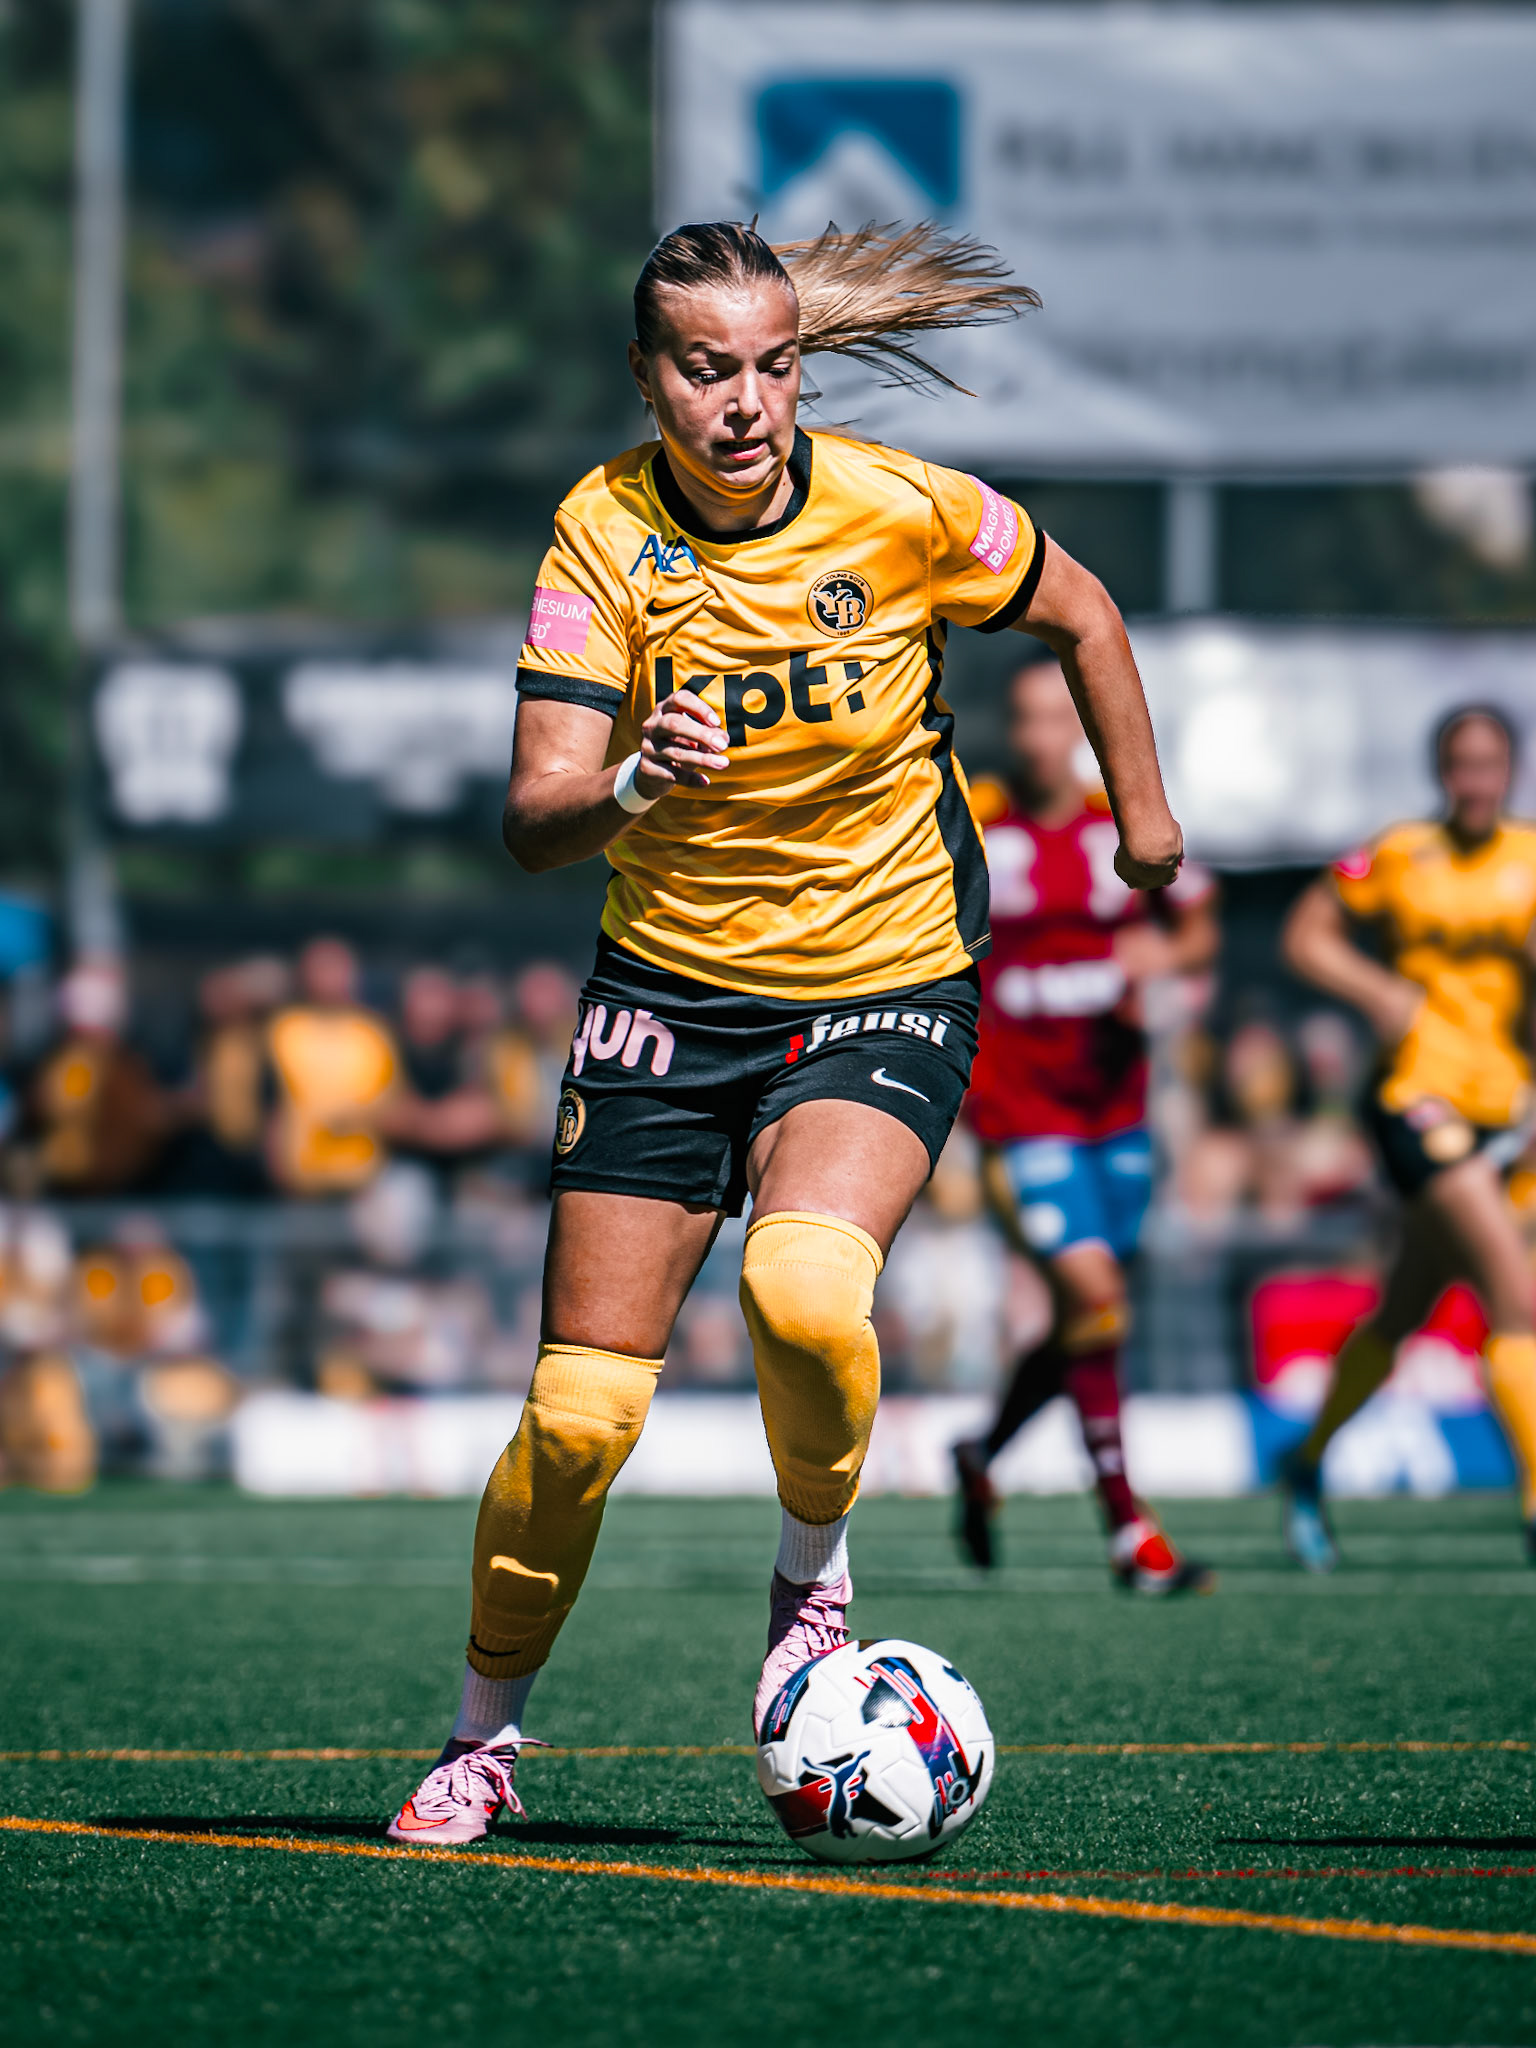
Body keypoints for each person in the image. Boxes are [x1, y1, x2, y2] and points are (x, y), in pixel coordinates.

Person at [386, 220, 1183, 1845]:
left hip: (883, 969)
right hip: (667, 998)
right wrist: (628, 781)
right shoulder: (599, 536)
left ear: (798, 364)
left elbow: (1086, 612)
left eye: (771, 364)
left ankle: (812, 1579)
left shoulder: (901, 507)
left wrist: (1143, 823)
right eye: (706, 368)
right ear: (646, 376)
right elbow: (534, 816)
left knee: (805, 1287)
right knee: (579, 1419)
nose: (745, 402)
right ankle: (484, 1734)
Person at [950, 655, 1219, 1590]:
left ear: (1082, 725)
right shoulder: (975, 820)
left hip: (1118, 1109)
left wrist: (1160, 961)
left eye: (1055, 718)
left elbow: (1197, 923)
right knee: (1094, 1295)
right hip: (1019, 1115)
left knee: (1088, 1319)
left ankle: (982, 1455)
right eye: (1023, 719)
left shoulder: (1122, 824)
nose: (1039, 737)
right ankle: (1128, 1529)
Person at [1279, 705, 1536, 1571]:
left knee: (1407, 1307)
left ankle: (1306, 1464)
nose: (1475, 780)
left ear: (1510, 772)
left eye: (1490, 765)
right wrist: (1378, 993)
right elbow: (1305, 936)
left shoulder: (1528, 861)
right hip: (1417, 1097)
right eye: (1461, 764)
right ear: (1441, 770)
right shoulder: (1397, 854)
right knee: (1517, 1294)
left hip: (1506, 1105)